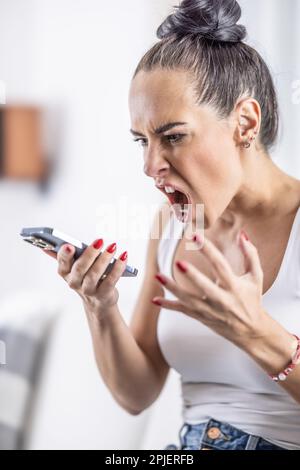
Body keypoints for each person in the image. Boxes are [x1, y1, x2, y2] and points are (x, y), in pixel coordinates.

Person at [44, 0, 300, 450]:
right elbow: (135, 394)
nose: (149, 165)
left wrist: (259, 334)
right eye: (142, 141)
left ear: (245, 122)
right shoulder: (171, 226)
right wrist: (100, 307)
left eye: (173, 136)